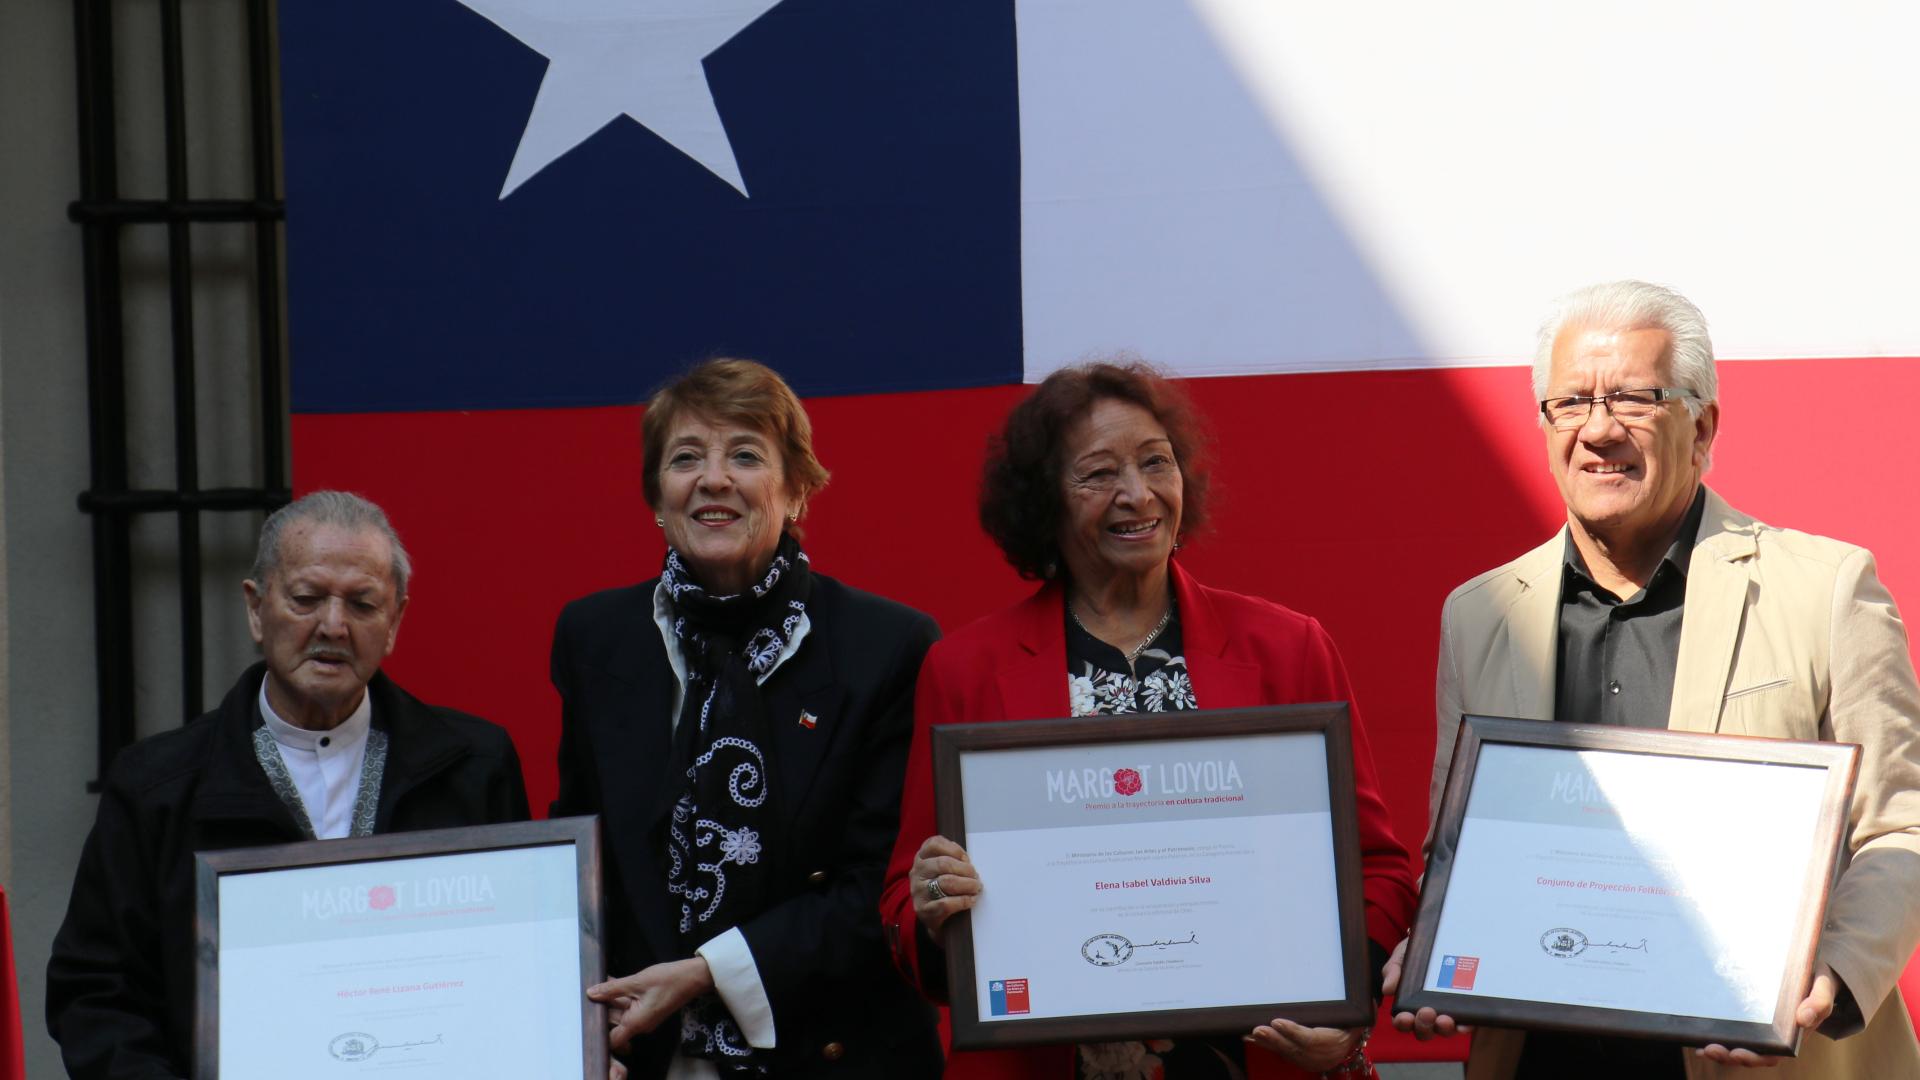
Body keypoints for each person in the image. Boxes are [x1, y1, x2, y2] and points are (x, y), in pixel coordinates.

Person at [1385, 280, 1920, 1078]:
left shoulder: (1827, 588)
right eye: (1569, 402)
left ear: (1702, 425)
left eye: (1634, 397)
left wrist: (1833, 974)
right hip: (1542, 1058)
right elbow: (1458, 844)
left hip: (1757, 1059)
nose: (1598, 429)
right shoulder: (1481, 613)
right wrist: (1432, 942)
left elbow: (1901, 827)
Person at [881, 360, 1419, 1079]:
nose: (1137, 495)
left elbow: (1378, 871)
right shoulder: (965, 668)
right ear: (1046, 501)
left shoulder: (1288, 649)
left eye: (1155, 463)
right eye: (1099, 474)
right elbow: (901, 906)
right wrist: (931, 901)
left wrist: (1341, 1011)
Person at [46, 490, 531, 1079]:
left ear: (395, 620)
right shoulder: (157, 788)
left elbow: (517, 969)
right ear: (256, 609)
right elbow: (96, 992)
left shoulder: (473, 766)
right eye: (306, 599)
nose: (334, 625)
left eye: (363, 604)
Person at [550, 358, 943, 1079]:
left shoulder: (888, 648)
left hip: (832, 1050)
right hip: (648, 1052)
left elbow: (876, 890)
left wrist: (706, 971)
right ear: (656, 497)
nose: (714, 479)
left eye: (745, 455)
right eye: (686, 458)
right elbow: (582, 866)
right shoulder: (594, 638)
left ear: (796, 491)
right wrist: (575, 1027)